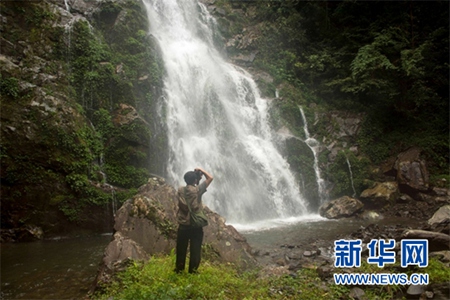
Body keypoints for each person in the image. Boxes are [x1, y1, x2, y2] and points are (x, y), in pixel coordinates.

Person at [175, 167, 213, 274]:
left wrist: (196, 179)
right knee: (195, 248)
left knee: (181, 247)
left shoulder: (180, 190)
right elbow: (210, 178)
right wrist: (201, 171)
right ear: (195, 181)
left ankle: (179, 269)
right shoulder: (197, 190)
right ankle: (193, 270)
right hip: (195, 225)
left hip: (183, 224)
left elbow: (188, 190)